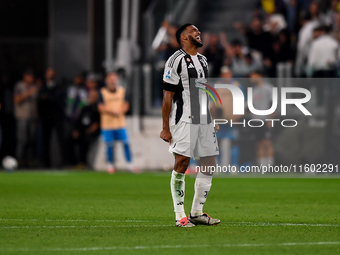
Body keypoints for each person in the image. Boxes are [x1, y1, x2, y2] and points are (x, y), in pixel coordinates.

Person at [160, 23, 221, 227]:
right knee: (182, 164)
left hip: (204, 119)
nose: (199, 33)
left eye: (198, 30)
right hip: (184, 118)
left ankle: (196, 212)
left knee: (210, 163)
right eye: (194, 31)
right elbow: (167, 96)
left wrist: (211, 118)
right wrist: (165, 127)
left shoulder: (203, 60)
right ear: (184, 37)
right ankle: (180, 216)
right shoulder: (175, 60)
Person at [97, 72, 137, 174]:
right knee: (109, 145)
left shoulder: (121, 91)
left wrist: (121, 111)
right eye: (111, 79)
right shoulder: (102, 92)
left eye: (114, 79)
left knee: (126, 143)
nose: (113, 81)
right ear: (107, 80)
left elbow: (126, 105)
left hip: (120, 123)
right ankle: (110, 165)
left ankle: (130, 164)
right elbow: (100, 107)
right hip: (107, 124)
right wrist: (111, 112)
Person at [37, 67, 66, 168]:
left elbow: (60, 99)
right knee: (45, 140)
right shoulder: (42, 87)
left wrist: (48, 97)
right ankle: (46, 163)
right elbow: (40, 102)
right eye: (49, 73)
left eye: (52, 73)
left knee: (60, 139)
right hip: (46, 117)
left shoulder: (59, 86)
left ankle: (63, 162)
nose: (51, 75)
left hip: (57, 116)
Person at [13, 69, 38, 167]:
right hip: (22, 116)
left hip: (32, 117)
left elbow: (35, 104)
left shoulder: (34, 86)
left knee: (31, 139)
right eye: (30, 76)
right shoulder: (19, 86)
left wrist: (37, 116)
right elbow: (16, 100)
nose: (32, 78)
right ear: (25, 76)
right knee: (22, 139)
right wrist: (28, 93)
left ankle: (30, 160)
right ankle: (19, 160)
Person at [249, 71, 275, 167]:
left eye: (253, 76)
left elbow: (273, 104)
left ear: (259, 76)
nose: (251, 79)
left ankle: (270, 165)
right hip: (255, 120)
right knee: (258, 143)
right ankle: (262, 166)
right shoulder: (254, 91)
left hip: (265, 119)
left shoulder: (268, 88)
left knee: (267, 142)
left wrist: (270, 119)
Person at [72, 89, 100, 167]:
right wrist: (76, 130)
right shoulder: (85, 108)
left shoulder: (97, 109)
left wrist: (91, 129)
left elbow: (97, 123)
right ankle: (78, 162)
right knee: (74, 142)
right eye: (91, 96)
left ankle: (86, 162)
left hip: (91, 132)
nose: (92, 98)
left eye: (94, 96)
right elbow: (79, 119)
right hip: (82, 131)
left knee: (86, 143)